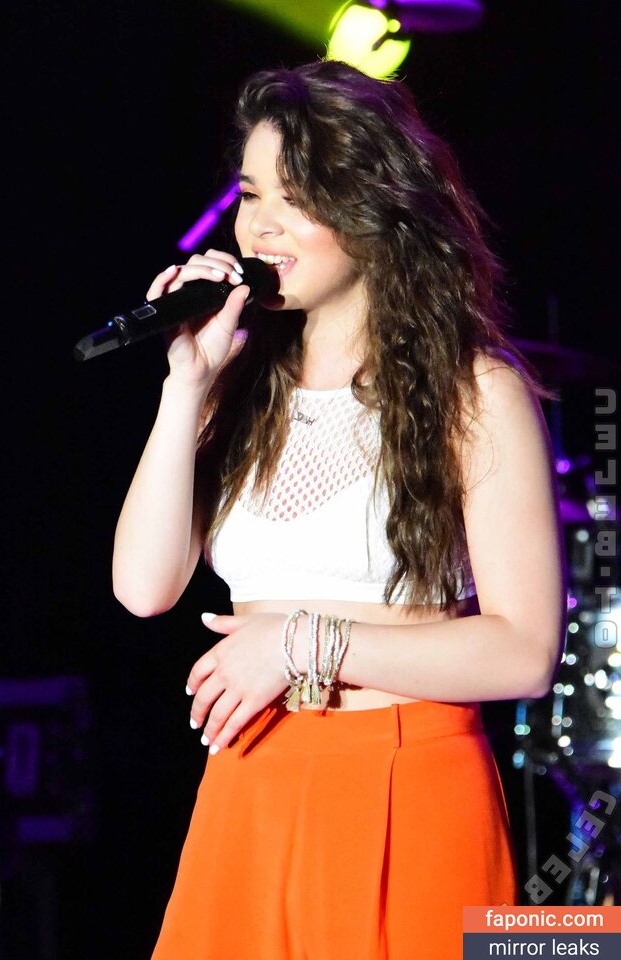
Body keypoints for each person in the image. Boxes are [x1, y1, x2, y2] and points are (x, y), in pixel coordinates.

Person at [112, 60, 566, 960]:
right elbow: (142, 587)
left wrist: (302, 644)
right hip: (248, 783)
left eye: (296, 197)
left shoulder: (475, 392)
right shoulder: (234, 384)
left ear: (373, 208)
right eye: (252, 195)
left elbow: (524, 652)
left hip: (407, 777)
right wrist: (185, 384)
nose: (260, 225)